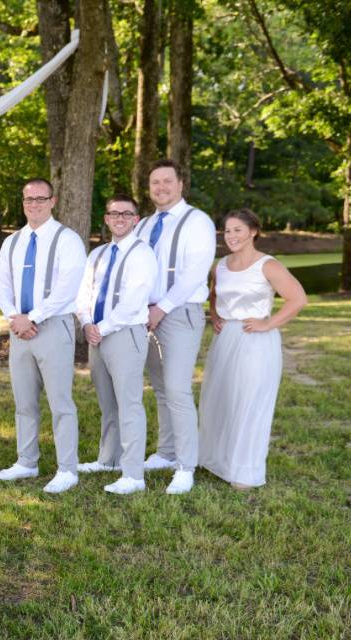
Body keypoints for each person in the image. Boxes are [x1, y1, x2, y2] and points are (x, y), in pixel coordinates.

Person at [0, 178, 87, 494]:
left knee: (61, 402)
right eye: (27, 199)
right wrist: (14, 318)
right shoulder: (13, 242)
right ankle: (26, 461)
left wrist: (31, 318)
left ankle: (67, 469)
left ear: (52, 200)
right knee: (24, 401)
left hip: (52, 327)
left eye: (39, 198)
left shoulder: (67, 239)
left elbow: (67, 288)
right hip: (19, 330)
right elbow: (2, 285)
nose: (33, 204)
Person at [199, 209, 306, 489]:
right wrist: (215, 316)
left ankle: (245, 470)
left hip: (257, 341)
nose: (231, 235)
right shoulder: (220, 265)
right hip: (226, 340)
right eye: (227, 230)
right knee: (221, 399)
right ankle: (218, 460)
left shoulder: (267, 265)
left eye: (237, 230)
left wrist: (268, 323)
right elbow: (213, 295)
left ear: (253, 232)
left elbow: (298, 298)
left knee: (250, 403)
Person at [134, 159, 216, 495]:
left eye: (168, 181)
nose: (161, 187)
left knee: (179, 389)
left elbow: (195, 271)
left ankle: (186, 466)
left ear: (181, 184)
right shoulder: (143, 225)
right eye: (155, 182)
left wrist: (162, 308)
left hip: (179, 314)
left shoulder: (197, 221)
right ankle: (166, 452)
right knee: (161, 387)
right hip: (145, 316)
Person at [75, 195, 157, 494]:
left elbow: (134, 299)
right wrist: (86, 324)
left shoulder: (142, 254)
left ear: (136, 219)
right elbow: (82, 293)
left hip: (125, 334)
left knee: (129, 403)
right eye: (113, 213)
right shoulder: (96, 255)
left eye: (126, 213)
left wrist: (101, 328)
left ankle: (133, 475)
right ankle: (108, 459)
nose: (119, 218)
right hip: (97, 334)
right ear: (107, 218)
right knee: (107, 402)